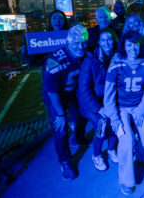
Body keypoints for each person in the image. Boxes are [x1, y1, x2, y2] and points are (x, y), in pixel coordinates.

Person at [104, 31, 144, 195]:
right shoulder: (116, 63)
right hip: (122, 108)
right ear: (124, 46)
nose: (132, 48)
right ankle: (126, 179)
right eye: (129, 44)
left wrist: (142, 110)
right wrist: (115, 119)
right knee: (126, 140)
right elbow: (109, 95)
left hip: (139, 106)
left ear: (140, 44)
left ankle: (141, 159)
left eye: (135, 44)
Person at [42, 25, 89, 180]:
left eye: (83, 42)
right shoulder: (55, 60)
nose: (80, 46)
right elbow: (51, 91)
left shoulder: (85, 54)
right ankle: (65, 161)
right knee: (60, 127)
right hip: (55, 96)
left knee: (81, 115)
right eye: (76, 43)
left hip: (72, 93)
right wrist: (61, 114)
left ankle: (77, 138)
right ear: (68, 43)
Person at [78, 28, 119, 171]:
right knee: (102, 122)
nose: (107, 42)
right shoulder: (91, 61)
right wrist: (98, 108)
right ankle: (96, 154)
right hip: (90, 102)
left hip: (108, 100)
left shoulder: (117, 56)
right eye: (103, 40)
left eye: (109, 39)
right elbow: (84, 90)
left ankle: (111, 149)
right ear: (99, 42)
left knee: (116, 118)